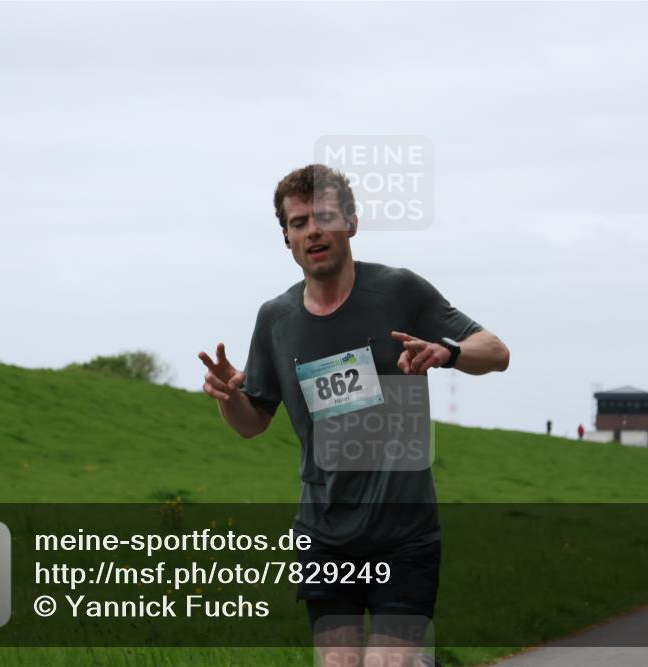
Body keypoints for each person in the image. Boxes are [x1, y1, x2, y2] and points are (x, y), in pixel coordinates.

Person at [198, 164, 510, 667]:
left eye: (324, 217)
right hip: (323, 533)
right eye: (299, 222)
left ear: (351, 223)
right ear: (286, 238)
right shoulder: (276, 319)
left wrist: (447, 353)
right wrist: (227, 397)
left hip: (403, 532)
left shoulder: (398, 291)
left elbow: (495, 351)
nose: (313, 230)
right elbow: (253, 422)